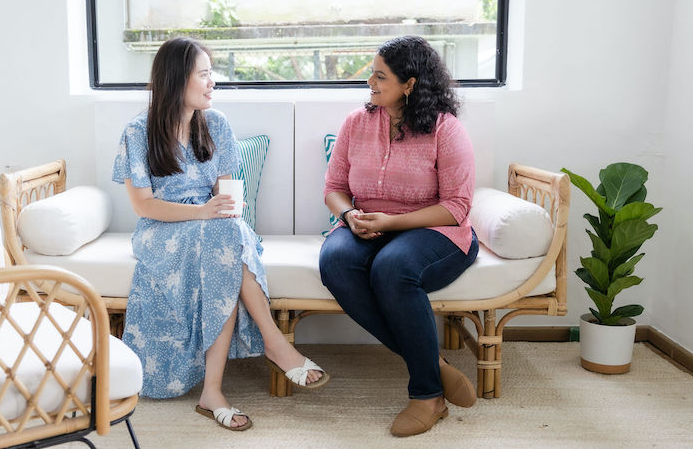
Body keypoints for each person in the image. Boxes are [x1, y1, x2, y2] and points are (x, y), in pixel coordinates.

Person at [112, 37, 328, 432]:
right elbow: (143, 206)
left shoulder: (217, 124)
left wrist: (227, 208)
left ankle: (214, 392)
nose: (213, 82)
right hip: (162, 231)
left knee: (225, 243)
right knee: (224, 242)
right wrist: (204, 213)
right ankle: (274, 344)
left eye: (212, 74)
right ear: (178, 79)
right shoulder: (137, 132)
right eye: (205, 74)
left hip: (214, 227)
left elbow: (224, 192)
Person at [319, 36, 479, 437]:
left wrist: (389, 223)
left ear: (409, 83)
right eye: (371, 74)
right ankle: (435, 367)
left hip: (436, 231)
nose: (370, 83)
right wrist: (348, 213)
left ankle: (427, 395)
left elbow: (457, 206)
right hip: (367, 222)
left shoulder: (445, 128)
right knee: (334, 260)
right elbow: (334, 186)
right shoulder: (357, 123)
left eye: (380, 76)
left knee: (392, 268)